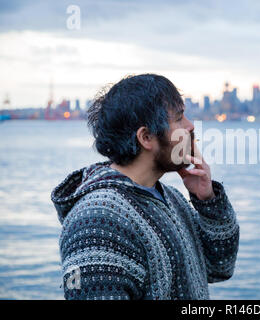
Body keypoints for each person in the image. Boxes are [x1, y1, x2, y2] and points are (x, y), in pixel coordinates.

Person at [51, 74, 240, 300]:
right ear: (146, 137)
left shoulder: (170, 198)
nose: (190, 126)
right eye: (179, 118)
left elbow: (219, 267)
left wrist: (208, 200)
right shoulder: (97, 221)